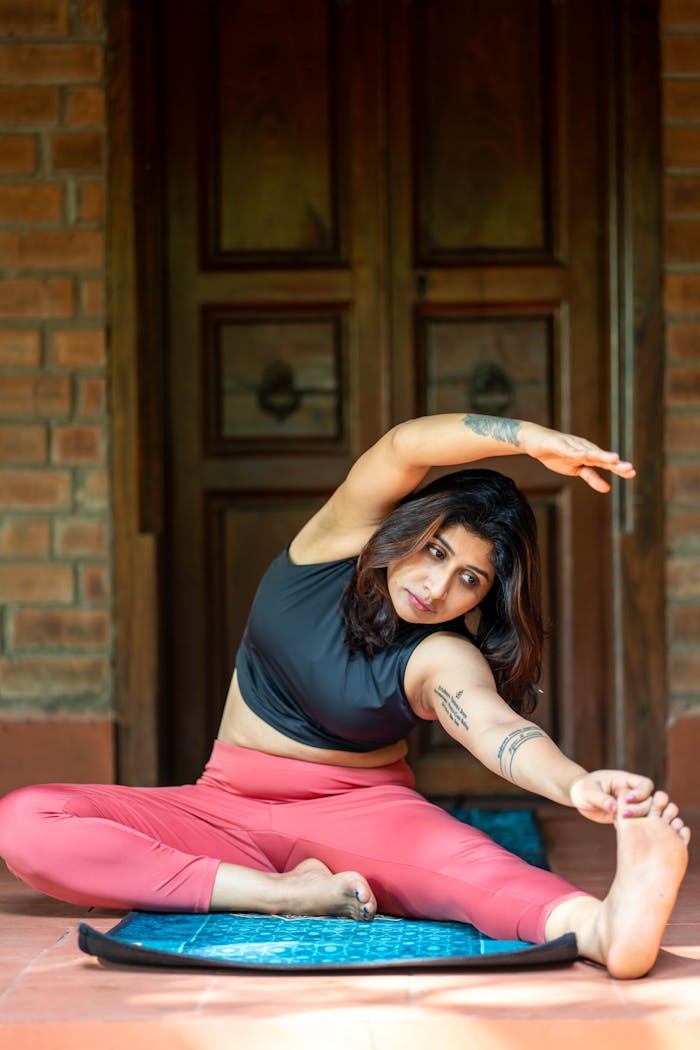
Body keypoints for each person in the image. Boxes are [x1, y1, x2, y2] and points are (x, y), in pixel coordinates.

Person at [0, 413, 690, 980]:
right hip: (222, 807)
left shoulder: (441, 655)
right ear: (408, 530)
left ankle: (602, 928)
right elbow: (404, 447)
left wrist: (576, 784)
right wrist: (529, 441)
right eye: (436, 551)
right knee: (26, 822)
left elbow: (495, 731)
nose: (438, 586)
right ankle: (281, 897)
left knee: (469, 872)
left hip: (360, 815)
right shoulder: (331, 544)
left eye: (471, 582)